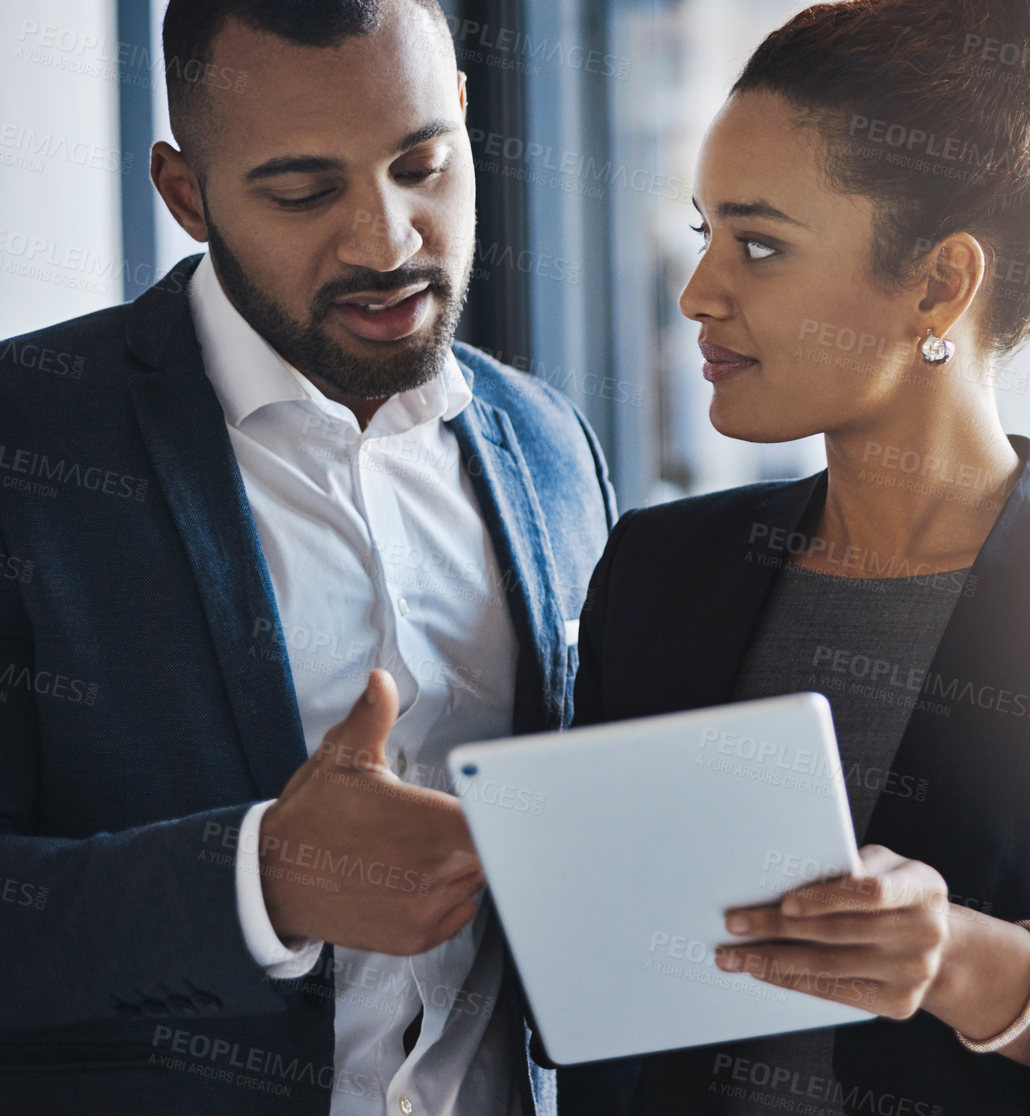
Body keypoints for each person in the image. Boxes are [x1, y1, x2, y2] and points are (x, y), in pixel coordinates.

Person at [562, 1, 1030, 1113]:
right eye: (705, 231)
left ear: (938, 285)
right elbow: (590, 956)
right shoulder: (660, 569)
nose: (699, 292)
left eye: (758, 244)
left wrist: (956, 959)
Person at [0, 1, 612, 1112]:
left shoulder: (552, 442)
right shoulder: (25, 439)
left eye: (424, 164)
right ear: (185, 194)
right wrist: (262, 879)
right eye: (302, 193)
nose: (387, 242)